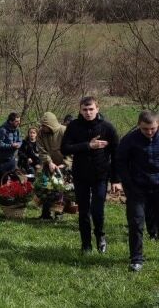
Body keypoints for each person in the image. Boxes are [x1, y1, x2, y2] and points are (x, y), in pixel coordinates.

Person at [61, 96, 119, 254]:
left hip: (101, 174)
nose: (88, 112)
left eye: (91, 109)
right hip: (80, 175)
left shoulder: (107, 128)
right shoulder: (74, 126)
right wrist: (88, 145)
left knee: (97, 209)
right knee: (84, 211)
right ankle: (86, 244)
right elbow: (65, 149)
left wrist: (115, 179)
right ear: (80, 110)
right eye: (85, 110)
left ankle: (100, 236)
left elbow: (116, 155)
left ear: (97, 109)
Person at [113, 110, 159, 272]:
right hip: (137, 188)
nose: (149, 132)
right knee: (136, 223)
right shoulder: (130, 140)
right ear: (139, 124)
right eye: (145, 129)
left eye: (152, 128)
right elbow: (120, 161)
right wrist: (124, 182)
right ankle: (136, 258)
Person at [37, 112, 73, 220]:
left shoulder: (64, 131)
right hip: (49, 164)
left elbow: (71, 149)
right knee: (45, 188)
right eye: (42, 125)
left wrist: (65, 164)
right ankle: (45, 214)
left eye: (45, 125)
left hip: (63, 165)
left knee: (60, 189)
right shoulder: (41, 133)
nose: (42, 127)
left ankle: (59, 213)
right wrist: (49, 162)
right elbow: (41, 149)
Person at [0, 112, 22, 185]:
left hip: (11, 159)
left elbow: (20, 140)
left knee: (15, 179)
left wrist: (18, 144)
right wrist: (11, 146)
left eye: (19, 121)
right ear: (10, 121)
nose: (19, 123)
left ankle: (13, 195)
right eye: (16, 121)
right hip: (1, 160)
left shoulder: (17, 130)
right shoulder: (2, 130)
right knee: (2, 180)